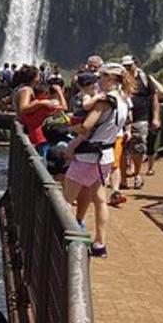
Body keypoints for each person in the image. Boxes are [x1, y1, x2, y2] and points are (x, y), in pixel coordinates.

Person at [64, 62, 134, 258]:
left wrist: (70, 127)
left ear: (110, 78)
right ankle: (100, 244)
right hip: (106, 155)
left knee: (67, 200)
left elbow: (86, 126)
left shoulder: (104, 101)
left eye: (102, 77)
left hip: (88, 156)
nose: (98, 81)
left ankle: (70, 241)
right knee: (100, 200)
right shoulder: (123, 99)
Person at [120, 55, 159, 189]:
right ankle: (123, 179)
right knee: (122, 149)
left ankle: (137, 174)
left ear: (135, 64)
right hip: (122, 120)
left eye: (129, 65)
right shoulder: (119, 79)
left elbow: (154, 98)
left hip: (141, 118)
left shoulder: (144, 78)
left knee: (138, 148)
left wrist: (155, 117)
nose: (126, 68)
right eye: (124, 66)